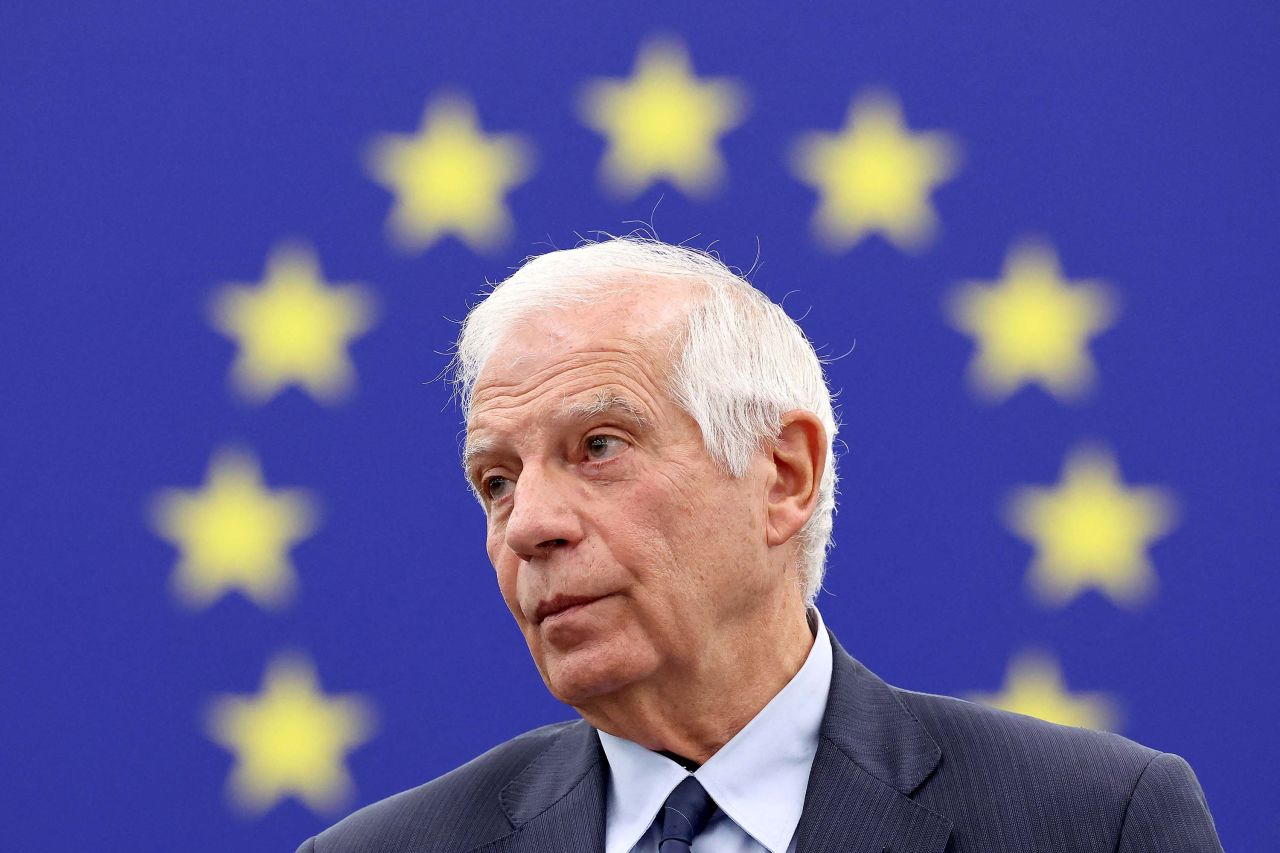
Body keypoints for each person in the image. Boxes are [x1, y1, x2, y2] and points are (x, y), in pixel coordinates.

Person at [297, 236, 1222, 852]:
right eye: (496, 481)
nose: (530, 524)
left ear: (783, 476)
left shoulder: (1092, 821)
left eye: (599, 447)